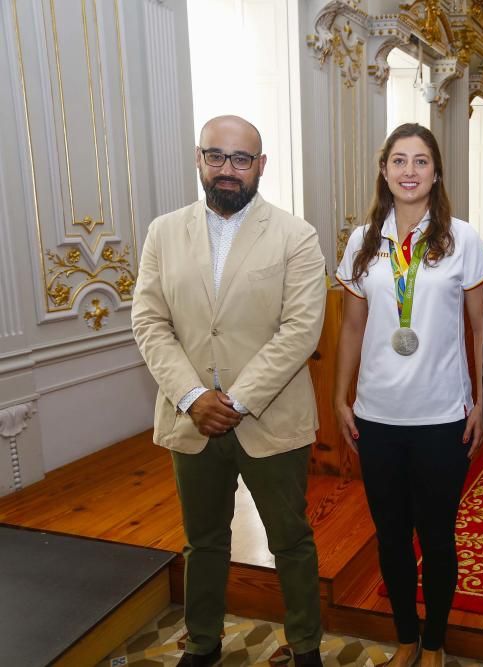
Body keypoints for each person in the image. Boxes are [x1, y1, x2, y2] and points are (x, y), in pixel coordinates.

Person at [131, 115, 327, 667]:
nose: (227, 170)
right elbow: (149, 322)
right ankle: (202, 642)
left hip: (270, 417)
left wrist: (236, 401)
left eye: (241, 160)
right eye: (216, 156)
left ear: (261, 167)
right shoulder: (163, 233)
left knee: (290, 539)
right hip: (191, 417)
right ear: (199, 159)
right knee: (204, 540)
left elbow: (301, 329)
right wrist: (193, 397)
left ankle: (306, 646)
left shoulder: (296, 235)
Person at [334, 123, 483, 667]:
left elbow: (481, 327)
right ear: (384, 171)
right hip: (377, 417)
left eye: (420, 161)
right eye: (398, 160)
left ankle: (436, 641)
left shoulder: (462, 239)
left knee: (439, 537)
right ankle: (405, 635)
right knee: (392, 536)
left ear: (436, 172)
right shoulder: (362, 241)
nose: (408, 171)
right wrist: (340, 397)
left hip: (442, 416)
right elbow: (352, 328)